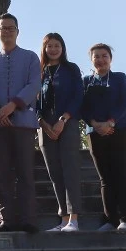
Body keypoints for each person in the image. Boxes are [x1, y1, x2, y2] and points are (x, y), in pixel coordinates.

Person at [0, 12, 41, 233]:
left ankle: (28, 219)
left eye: (10, 27)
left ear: (18, 31)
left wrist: (13, 105)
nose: (6, 31)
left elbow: (34, 85)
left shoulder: (31, 57)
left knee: (25, 173)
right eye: (2, 28)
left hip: (23, 123)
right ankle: (5, 219)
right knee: (2, 174)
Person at [82, 43, 126, 232]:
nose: (100, 60)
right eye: (96, 56)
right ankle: (109, 220)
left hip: (118, 130)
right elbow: (83, 107)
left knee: (120, 175)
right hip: (95, 133)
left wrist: (110, 122)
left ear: (110, 58)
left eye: (104, 56)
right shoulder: (87, 80)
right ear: (91, 59)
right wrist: (95, 124)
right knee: (105, 179)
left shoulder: (119, 78)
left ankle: (125, 219)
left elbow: (125, 102)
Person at [38, 31, 85, 232]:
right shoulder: (39, 71)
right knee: (55, 172)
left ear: (63, 48)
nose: (54, 49)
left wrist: (63, 119)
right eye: (50, 46)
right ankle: (63, 219)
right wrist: (42, 122)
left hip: (67, 123)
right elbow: (34, 100)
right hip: (45, 127)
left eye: (57, 45)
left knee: (70, 170)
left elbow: (78, 96)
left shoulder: (71, 69)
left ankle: (74, 218)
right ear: (44, 48)